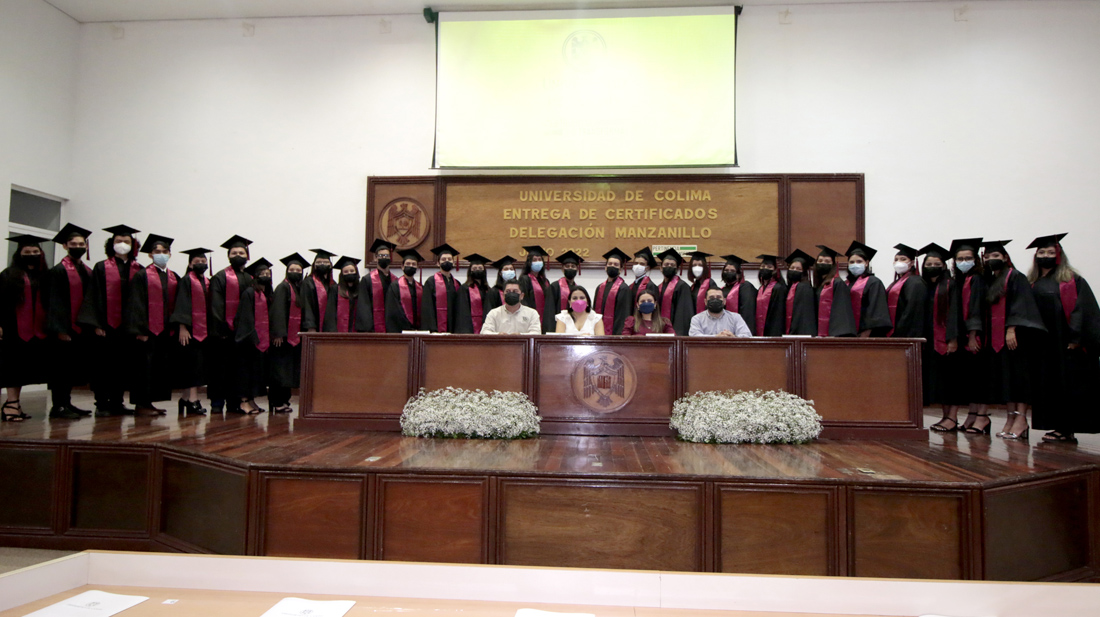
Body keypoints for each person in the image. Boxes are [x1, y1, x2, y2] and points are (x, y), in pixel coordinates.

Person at [1027, 234, 1100, 443]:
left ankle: (1066, 428)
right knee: (1047, 386)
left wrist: (1076, 338)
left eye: (1051, 252)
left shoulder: (1071, 281)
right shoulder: (1032, 282)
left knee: (1067, 386)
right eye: (1042, 252)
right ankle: (1055, 425)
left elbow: (1081, 310)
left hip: (1066, 344)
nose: (1046, 256)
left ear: (1059, 255)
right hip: (1043, 344)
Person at [979, 240, 1046, 440]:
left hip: (1015, 337)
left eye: (995, 256)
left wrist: (1011, 329)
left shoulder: (1016, 276)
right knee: (1007, 380)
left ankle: (1021, 420)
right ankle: (1010, 419)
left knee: (1019, 378)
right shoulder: (991, 280)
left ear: (1005, 257)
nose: (991, 260)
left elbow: (1021, 304)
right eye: (987, 257)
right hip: (997, 339)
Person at [77, 224, 143, 416]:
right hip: (106, 327)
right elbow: (93, 296)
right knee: (103, 366)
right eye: (118, 241)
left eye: (126, 241)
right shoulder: (101, 267)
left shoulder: (139, 269)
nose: (122, 244)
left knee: (123, 366)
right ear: (111, 244)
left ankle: (117, 402)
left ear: (133, 245)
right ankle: (101, 403)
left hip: (128, 327)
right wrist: (96, 324)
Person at [125, 233, 180, 415]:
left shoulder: (174, 277)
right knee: (144, 368)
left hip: (165, 331)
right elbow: (136, 304)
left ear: (170, 254)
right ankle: (141, 404)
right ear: (150, 254)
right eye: (157, 252)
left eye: (164, 251)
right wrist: (139, 329)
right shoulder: (142, 275)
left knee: (158, 367)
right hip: (147, 331)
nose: (161, 255)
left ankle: (150, 403)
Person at [45, 224, 94, 419]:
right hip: (64, 329)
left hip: (80, 328)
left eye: (81, 244)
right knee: (61, 369)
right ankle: (58, 406)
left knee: (71, 369)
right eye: (74, 244)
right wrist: (60, 329)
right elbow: (53, 302)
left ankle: (67, 403)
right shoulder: (58, 271)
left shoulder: (87, 270)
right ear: (65, 246)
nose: (78, 247)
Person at [0, 234, 49, 422]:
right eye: (27, 252)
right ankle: (11, 405)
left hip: (38, 329)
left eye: (35, 251)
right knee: (12, 366)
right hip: (13, 328)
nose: (31, 255)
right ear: (19, 254)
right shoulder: (8, 274)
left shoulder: (44, 275)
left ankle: (15, 404)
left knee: (23, 368)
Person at [919, 243, 962, 432]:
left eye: (937, 264)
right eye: (929, 264)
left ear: (944, 265)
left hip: (946, 339)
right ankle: (945, 417)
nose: (932, 267)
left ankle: (952, 417)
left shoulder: (950, 284)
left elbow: (955, 313)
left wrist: (953, 338)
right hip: (931, 340)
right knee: (942, 381)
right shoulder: (925, 285)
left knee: (951, 379)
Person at [208, 234, 254, 414]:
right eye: (234, 253)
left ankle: (234, 402)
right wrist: (222, 329)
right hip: (224, 333)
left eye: (241, 253)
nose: (238, 255)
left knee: (238, 370)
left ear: (247, 256)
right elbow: (216, 305)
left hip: (243, 334)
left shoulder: (250, 278)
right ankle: (217, 403)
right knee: (220, 369)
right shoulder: (220, 277)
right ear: (228, 256)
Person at [950, 238, 991, 434]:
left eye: (968, 258)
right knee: (971, 378)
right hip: (964, 336)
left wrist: (973, 335)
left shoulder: (977, 280)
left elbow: (975, 309)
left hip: (976, 336)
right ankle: (972, 414)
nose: (963, 262)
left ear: (976, 260)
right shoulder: (961, 280)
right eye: (960, 259)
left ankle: (983, 416)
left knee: (980, 376)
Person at [170, 247, 212, 416]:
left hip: (204, 331)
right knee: (192, 366)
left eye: (203, 261)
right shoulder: (186, 281)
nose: (201, 264)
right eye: (197, 261)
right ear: (190, 264)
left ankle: (185, 399)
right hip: (189, 331)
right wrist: (182, 327)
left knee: (198, 365)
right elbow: (182, 304)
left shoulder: (207, 282)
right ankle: (193, 400)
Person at [268, 252, 308, 414]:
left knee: (288, 371)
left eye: (298, 270)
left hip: (293, 337)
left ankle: (284, 400)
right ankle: (276, 401)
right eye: (292, 270)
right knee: (279, 371)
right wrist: (278, 333)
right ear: (287, 271)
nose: (295, 272)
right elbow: (277, 311)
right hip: (282, 338)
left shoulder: (298, 288)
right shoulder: (283, 287)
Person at [232, 258, 272, 414]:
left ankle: (251, 400)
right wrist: (251, 337)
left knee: (255, 373)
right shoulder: (249, 292)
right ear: (255, 276)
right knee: (245, 372)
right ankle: (243, 402)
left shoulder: (263, 294)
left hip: (260, 340)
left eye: (268, 273)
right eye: (262, 273)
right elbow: (245, 317)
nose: (265, 276)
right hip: (248, 340)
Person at [844, 241, 891, 337]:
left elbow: (877, 310)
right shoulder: (846, 284)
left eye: (859, 261)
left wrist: (865, 334)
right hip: (848, 334)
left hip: (868, 335)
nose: (855, 264)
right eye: (851, 262)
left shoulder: (874, 282)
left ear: (866, 263)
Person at [812, 245, 856, 337]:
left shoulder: (838, 283)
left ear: (833, 265)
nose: (823, 263)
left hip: (833, 335)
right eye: (820, 261)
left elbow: (842, 311)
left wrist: (836, 335)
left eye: (827, 261)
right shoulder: (819, 285)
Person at [885, 244, 928, 338]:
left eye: (903, 259)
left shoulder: (915, 282)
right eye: (896, 259)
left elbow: (913, 311)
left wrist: (900, 331)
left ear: (912, 263)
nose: (898, 262)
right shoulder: (896, 282)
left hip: (906, 333)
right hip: (895, 330)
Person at [421, 244, 462, 333]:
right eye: (443, 259)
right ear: (438, 263)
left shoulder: (457, 284)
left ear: (453, 263)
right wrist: (432, 329)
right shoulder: (431, 282)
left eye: (449, 259)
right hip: (436, 328)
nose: (447, 261)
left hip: (453, 328)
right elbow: (427, 308)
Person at [356, 239, 395, 332]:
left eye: (386, 255)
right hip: (373, 328)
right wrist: (369, 329)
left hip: (392, 327)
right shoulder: (367, 280)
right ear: (375, 258)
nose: (384, 258)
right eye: (381, 256)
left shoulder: (396, 281)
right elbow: (364, 306)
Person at [592, 248, 633, 335]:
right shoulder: (599, 288)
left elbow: (624, 316)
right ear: (605, 267)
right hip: (598, 333)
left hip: (616, 334)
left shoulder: (624, 289)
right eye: (610, 264)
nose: (612, 266)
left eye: (616, 264)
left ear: (621, 269)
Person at [655, 248, 694, 336]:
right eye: (666, 264)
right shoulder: (659, 288)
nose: (669, 266)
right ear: (661, 268)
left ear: (677, 269)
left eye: (672, 265)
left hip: (675, 332)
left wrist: (677, 335)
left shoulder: (682, 286)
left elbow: (683, 314)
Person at [385, 248, 424, 332]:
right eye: (408, 264)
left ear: (417, 267)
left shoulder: (421, 288)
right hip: (400, 329)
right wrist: (407, 326)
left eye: (414, 264)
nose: (411, 266)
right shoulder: (395, 286)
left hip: (417, 330)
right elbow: (393, 310)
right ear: (402, 267)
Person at [455, 253, 494, 334]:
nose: (477, 270)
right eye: (474, 268)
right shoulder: (464, 288)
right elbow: (462, 313)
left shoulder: (488, 289)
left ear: (484, 270)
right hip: (469, 329)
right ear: (470, 271)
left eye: (480, 268)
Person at [518, 245, 553, 332]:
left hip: (544, 320)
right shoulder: (525, 279)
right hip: (529, 320)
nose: (537, 262)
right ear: (529, 262)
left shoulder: (545, 281)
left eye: (539, 259)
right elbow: (523, 301)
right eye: (534, 260)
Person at [719, 254, 757, 335]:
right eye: (726, 270)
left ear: (739, 273)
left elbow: (747, 312)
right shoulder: (722, 289)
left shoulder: (745, 287)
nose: (728, 273)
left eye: (732, 271)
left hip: (741, 330)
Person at [300, 248, 335, 332]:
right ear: (314, 265)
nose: (322, 264)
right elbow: (307, 306)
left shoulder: (333, 284)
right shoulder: (308, 282)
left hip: (331, 328)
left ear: (330, 265)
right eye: (319, 262)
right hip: (314, 328)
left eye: (325, 262)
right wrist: (310, 326)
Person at [324, 256, 362, 333]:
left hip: (358, 331)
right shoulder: (335, 289)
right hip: (339, 331)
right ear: (342, 274)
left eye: (352, 271)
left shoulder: (361, 289)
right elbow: (330, 312)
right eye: (346, 272)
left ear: (356, 272)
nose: (349, 273)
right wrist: (332, 331)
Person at [784, 249, 816, 335]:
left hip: (800, 332)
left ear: (804, 272)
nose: (794, 270)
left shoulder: (804, 288)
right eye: (792, 268)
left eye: (798, 269)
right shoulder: (790, 287)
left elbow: (802, 315)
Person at [755, 254, 787, 336]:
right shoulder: (761, 289)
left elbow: (779, 315)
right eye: (762, 266)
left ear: (775, 270)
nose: (765, 269)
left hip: (773, 331)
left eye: (769, 267)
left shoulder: (779, 288)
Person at [548, 250, 582, 318]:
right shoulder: (555, 286)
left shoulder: (578, 289)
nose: (570, 268)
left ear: (577, 269)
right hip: (557, 323)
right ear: (562, 269)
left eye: (573, 266)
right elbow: (549, 310)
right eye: (567, 266)